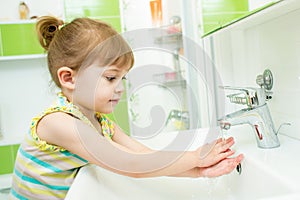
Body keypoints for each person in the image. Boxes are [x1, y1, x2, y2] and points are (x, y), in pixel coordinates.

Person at [9, 16, 243, 200]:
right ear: (69, 78)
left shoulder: (99, 121)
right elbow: (129, 164)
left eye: (123, 79)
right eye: (111, 78)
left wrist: (198, 171)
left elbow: (143, 155)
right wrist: (194, 157)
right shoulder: (59, 123)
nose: (120, 88)